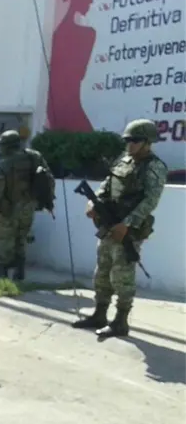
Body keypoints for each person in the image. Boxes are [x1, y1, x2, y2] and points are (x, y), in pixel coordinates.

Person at [71, 119, 167, 338]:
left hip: (129, 229)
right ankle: (99, 313)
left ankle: (121, 321)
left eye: (135, 140)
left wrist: (128, 224)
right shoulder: (123, 161)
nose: (130, 144)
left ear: (147, 142)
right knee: (102, 270)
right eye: (128, 140)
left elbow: (150, 201)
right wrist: (93, 204)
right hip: (109, 223)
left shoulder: (154, 167)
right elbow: (106, 185)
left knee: (122, 274)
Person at [0, 130, 50, 280]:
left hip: (8, 206)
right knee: (21, 237)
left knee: (5, 239)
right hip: (29, 205)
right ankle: (19, 272)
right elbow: (47, 177)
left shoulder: (4, 164)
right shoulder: (34, 157)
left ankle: (2, 272)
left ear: (7, 146)